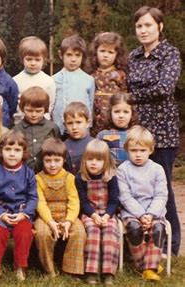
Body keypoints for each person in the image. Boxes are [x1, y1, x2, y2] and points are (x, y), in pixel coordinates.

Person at [126, 5, 181, 256]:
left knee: (163, 189)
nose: (143, 30)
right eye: (139, 26)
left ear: (159, 27)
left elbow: (164, 89)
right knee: (135, 187)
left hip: (163, 132)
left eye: (148, 25)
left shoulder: (170, 54)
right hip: (137, 133)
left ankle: (170, 246)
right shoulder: (134, 56)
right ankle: (138, 245)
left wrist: (133, 96)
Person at [118, 125, 167, 281]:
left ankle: (149, 267)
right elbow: (125, 196)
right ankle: (146, 265)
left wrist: (151, 215)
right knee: (134, 228)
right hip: (131, 212)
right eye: (134, 150)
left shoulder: (157, 169)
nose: (138, 155)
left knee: (159, 228)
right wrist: (140, 215)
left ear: (150, 150)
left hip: (154, 212)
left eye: (142, 150)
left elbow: (161, 195)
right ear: (127, 150)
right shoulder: (122, 170)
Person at [0, 130, 37, 281]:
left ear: (24, 152)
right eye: (8, 149)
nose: (12, 154)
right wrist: (1, 215)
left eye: (17, 150)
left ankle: (20, 265)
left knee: (24, 233)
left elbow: (33, 197)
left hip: (22, 214)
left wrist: (24, 214)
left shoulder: (29, 173)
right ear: (1, 151)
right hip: (1, 215)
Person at [35, 137, 86, 278]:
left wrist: (69, 221)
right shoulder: (38, 178)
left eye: (56, 161)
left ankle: (71, 269)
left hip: (67, 214)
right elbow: (40, 202)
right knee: (42, 233)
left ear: (63, 160)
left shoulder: (69, 178)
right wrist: (50, 222)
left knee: (79, 232)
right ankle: (48, 269)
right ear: (43, 161)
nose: (52, 165)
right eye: (48, 161)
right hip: (46, 216)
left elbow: (74, 202)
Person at [76, 139, 120, 285]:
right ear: (84, 160)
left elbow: (114, 201)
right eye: (90, 159)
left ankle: (108, 272)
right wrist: (94, 215)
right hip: (90, 213)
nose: (93, 163)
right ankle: (91, 271)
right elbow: (83, 202)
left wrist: (107, 215)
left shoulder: (111, 177)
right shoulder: (81, 177)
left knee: (110, 232)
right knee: (93, 232)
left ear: (106, 161)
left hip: (108, 213)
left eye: (98, 159)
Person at [86, 32, 128, 136]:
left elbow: (126, 101)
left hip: (113, 124)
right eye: (102, 51)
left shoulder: (120, 75)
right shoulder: (90, 76)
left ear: (117, 55)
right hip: (94, 124)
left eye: (110, 52)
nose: (105, 55)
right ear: (96, 52)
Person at [52, 35, 95, 134]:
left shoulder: (88, 80)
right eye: (69, 55)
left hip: (81, 129)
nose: (73, 59)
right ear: (61, 55)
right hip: (59, 129)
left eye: (77, 55)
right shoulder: (53, 80)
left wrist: (88, 128)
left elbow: (90, 107)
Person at [13, 87, 60, 172]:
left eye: (38, 111)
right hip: (23, 173)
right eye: (29, 110)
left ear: (45, 109)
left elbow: (59, 152)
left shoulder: (53, 128)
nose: (33, 114)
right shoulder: (16, 130)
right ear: (22, 108)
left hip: (47, 174)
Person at [13, 36, 56, 123]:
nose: (33, 63)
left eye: (37, 60)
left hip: (42, 125)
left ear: (44, 60)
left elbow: (51, 104)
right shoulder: (15, 80)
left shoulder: (48, 81)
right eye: (29, 59)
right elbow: (14, 104)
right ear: (22, 59)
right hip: (21, 124)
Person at [97, 93, 137, 166]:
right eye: (117, 111)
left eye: (126, 112)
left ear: (132, 114)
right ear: (110, 112)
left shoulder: (136, 134)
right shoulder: (102, 135)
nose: (121, 116)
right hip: (109, 174)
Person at [63, 102, 94, 174]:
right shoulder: (63, 147)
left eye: (78, 122)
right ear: (65, 125)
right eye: (70, 123)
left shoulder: (95, 144)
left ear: (87, 123)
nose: (74, 127)